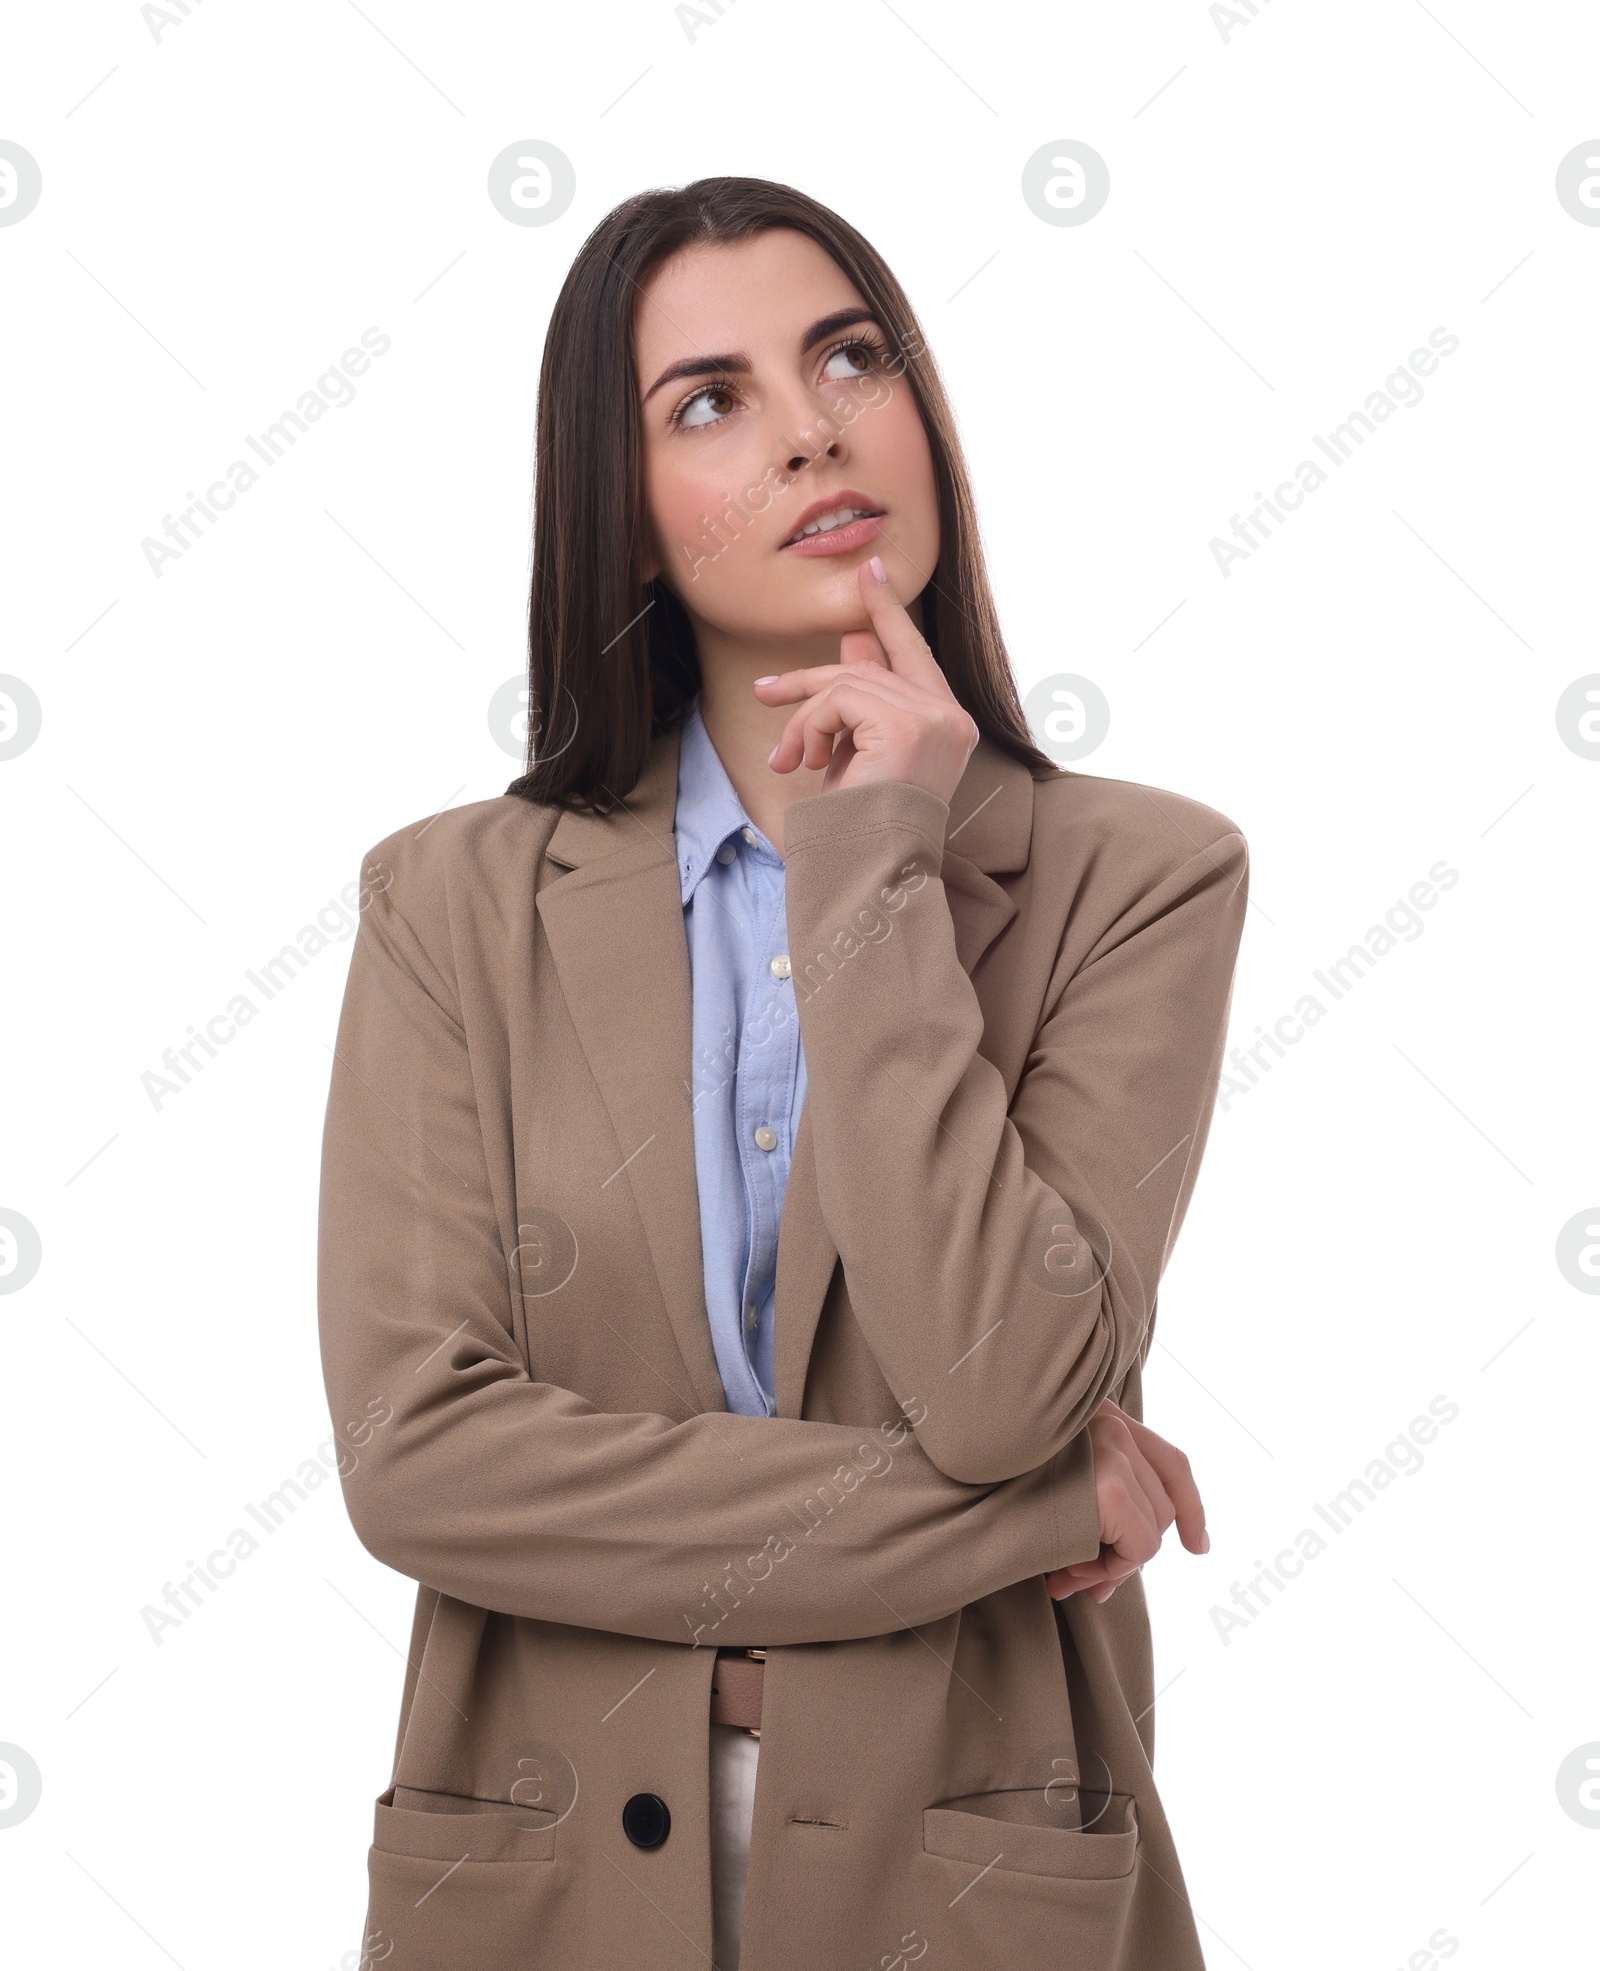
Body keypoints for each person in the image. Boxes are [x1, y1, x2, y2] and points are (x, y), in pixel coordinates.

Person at [318, 174, 1249, 1971]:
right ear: (626, 508)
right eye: (711, 400)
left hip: (969, 1876)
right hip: (544, 1871)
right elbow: (418, 1461)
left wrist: (870, 870)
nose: (814, 427)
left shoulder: (1142, 877)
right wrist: (1037, 1509)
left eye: (848, 357)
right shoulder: (445, 904)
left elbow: (996, 1387)